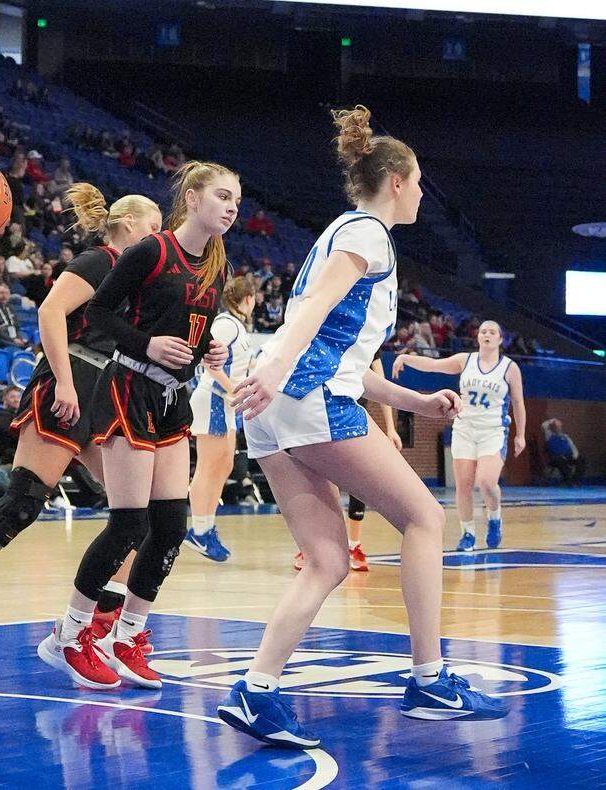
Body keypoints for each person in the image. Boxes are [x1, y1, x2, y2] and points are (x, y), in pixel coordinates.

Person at [217, 106, 506, 751]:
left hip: (279, 406)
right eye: (421, 181)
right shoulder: (370, 232)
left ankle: (255, 689)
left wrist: (417, 400)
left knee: (326, 559)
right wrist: (275, 367)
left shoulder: (342, 232)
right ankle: (430, 677)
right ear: (397, 181)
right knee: (426, 520)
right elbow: (316, 311)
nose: (425, 193)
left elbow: (351, 363)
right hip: (300, 393)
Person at [0, 183, 162, 654]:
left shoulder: (135, 280)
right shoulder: (102, 261)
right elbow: (51, 311)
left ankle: (99, 616)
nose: (158, 240)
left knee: (141, 516)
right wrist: (67, 383)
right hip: (68, 380)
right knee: (25, 501)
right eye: (153, 229)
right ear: (128, 223)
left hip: (105, 391)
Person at [39, 163, 233, 691]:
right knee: (128, 524)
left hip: (173, 397)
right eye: (222, 195)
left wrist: (208, 346)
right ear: (192, 199)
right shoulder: (151, 251)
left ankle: (126, 635)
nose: (232, 205)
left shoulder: (217, 265)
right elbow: (99, 314)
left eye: (236, 198)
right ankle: (70, 632)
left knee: (170, 527)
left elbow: (193, 325)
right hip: (129, 388)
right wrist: (145, 344)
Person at [393, 320, 526, 551]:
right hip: (464, 428)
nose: (487, 334)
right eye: (483, 331)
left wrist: (521, 435)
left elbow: (518, 402)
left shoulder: (509, 367)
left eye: (492, 331)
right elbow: (434, 365)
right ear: (478, 337)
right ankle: (468, 534)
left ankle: (495, 519)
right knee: (463, 485)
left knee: (486, 482)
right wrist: (407, 358)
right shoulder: (466, 360)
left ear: (500, 339)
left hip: (493, 430)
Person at [293, 355, 403, 573]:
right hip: (324, 414)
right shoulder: (331, 337)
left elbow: (384, 389)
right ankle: (312, 546)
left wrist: (390, 428)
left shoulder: (373, 347)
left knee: (360, 482)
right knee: (322, 482)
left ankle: (354, 545)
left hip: (353, 417)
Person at [185, 276, 256, 562]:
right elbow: (208, 361)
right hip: (214, 398)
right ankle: (199, 532)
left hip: (225, 402)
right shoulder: (226, 324)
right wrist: (234, 389)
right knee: (208, 467)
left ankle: (207, 527)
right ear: (248, 299)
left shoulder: (237, 326)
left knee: (224, 465)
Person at [541, 417, 585, 485]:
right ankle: (567, 480)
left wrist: (575, 456)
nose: (558, 428)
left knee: (581, 460)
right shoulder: (549, 435)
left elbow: (573, 448)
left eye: (559, 427)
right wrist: (554, 420)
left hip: (568, 456)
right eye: (557, 427)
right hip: (556, 458)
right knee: (561, 461)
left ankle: (575, 480)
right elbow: (544, 425)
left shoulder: (565, 437)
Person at [0, 386, 21, 465]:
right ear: (5, 399)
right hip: (7, 455)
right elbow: (10, 435)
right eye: (12, 397)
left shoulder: (18, 415)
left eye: (18, 397)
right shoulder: (1, 416)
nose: (16, 400)